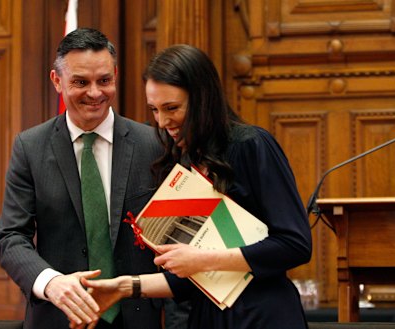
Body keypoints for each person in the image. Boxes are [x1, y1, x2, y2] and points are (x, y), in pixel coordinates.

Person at [82, 44, 312, 329]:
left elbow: (295, 245)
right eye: (154, 110)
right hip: (208, 316)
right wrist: (125, 286)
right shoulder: (186, 159)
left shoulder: (252, 145)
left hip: (262, 315)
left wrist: (203, 260)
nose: (163, 122)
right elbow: (195, 279)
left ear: (203, 99)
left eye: (172, 108)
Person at [0, 28, 168, 329]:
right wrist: (51, 283)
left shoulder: (154, 143)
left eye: (104, 80)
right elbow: (10, 237)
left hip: (140, 319)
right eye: (80, 82)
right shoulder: (30, 147)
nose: (95, 93)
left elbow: (178, 242)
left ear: (115, 75)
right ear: (56, 80)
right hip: (59, 318)